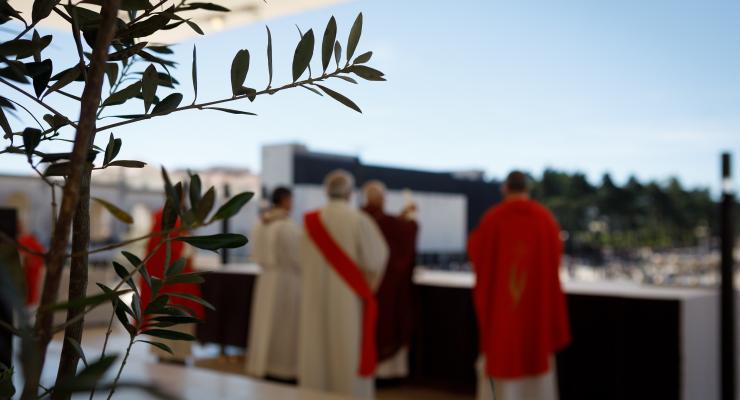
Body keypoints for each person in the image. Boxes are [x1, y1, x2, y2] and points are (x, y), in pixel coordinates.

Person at [467, 171, 570, 400]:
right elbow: (555, 259)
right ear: (527, 189)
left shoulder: (493, 219)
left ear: (505, 188)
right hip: (536, 310)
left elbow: (476, 253)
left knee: (502, 353)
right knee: (537, 356)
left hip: (503, 311)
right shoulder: (545, 219)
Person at [298, 170, 389, 399]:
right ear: (350, 193)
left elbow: (300, 258)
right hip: (348, 297)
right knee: (347, 350)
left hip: (313, 295)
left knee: (315, 348)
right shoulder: (358, 219)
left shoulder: (309, 221)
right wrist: (368, 285)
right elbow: (376, 258)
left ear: (326, 192)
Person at [360, 181, 418, 379]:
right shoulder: (379, 220)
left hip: (362, 282)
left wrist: (404, 218)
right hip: (387, 283)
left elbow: (392, 227)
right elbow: (400, 232)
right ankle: (384, 372)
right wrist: (410, 221)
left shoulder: (360, 218)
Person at [246, 187, 301, 381]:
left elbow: (254, 253)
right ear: (285, 200)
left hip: (266, 279)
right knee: (284, 325)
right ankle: (282, 368)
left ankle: (262, 364)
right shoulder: (287, 227)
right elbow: (299, 258)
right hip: (286, 281)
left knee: (265, 323)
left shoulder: (260, 223)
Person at [139, 208, 204, 364]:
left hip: (161, 287)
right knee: (176, 321)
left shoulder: (157, 231)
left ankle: (163, 352)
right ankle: (178, 354)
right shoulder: (176, 230)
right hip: (179, 288)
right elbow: (185, 256)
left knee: (164, 320)